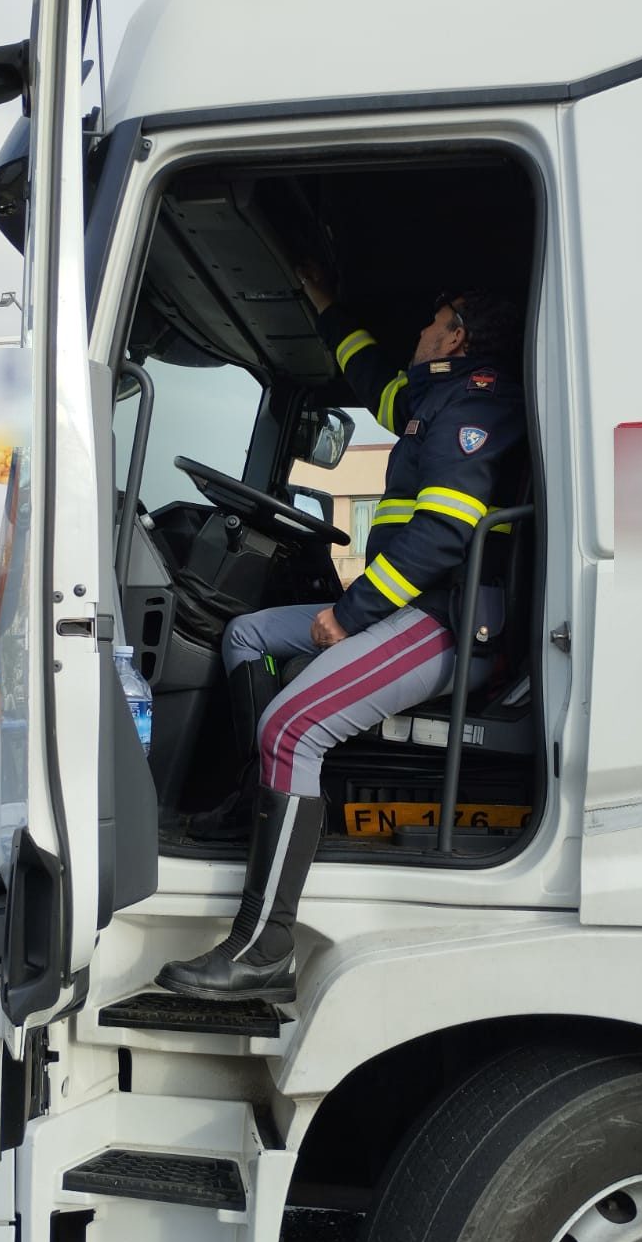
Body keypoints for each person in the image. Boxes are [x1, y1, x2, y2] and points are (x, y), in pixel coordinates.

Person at [156, 272, 526, 1002]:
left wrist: (351, 615)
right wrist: (325, 304)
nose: (420, 331)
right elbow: (374, 379)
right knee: (247, 636)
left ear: (456, 336)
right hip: (404, 605)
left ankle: (263, 947)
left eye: (433, 321)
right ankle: (259, 798)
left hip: (446, 617)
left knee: (290, 726)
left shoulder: (476, 401)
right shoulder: (431, 397)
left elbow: (446, 533)